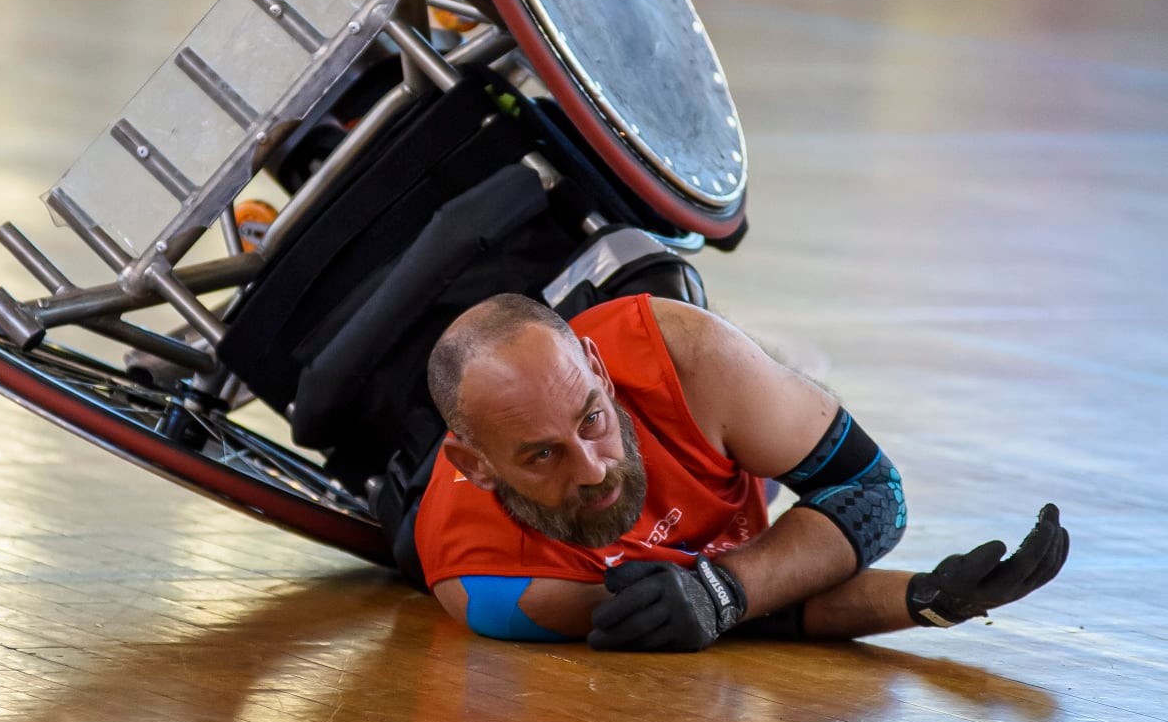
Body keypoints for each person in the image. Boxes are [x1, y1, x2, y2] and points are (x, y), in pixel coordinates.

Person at [417, 293, 1068, 650]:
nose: (592, 471)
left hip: (721, 443)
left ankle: (777, 371)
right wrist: (924, 599)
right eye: (542, 454)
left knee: (772, 383)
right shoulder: (498, 586)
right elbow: (739, 615)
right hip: (715, 497)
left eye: (592, 419)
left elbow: (874, 493)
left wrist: (720, 590)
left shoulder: (684, 355)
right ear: (477, 467)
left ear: (598, 368)